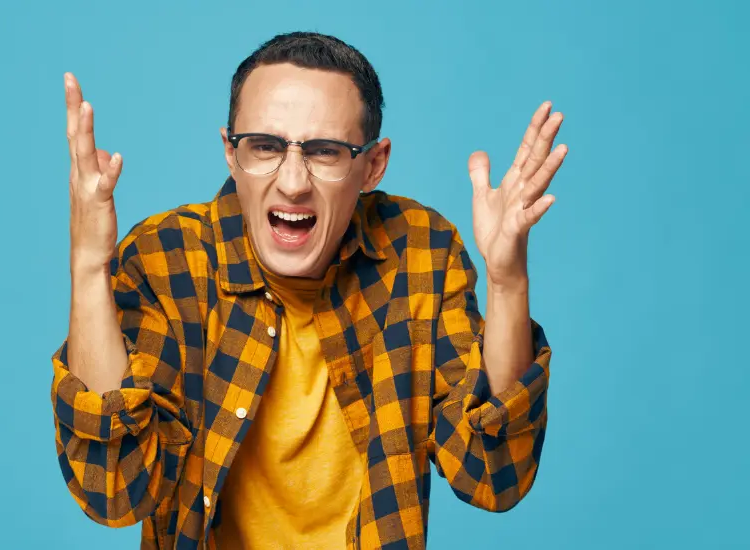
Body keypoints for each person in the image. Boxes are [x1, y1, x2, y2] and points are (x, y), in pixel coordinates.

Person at [51, 31, 563, 550]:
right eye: (266, 147)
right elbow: (114, 491)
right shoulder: (168, 258)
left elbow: (493, 474)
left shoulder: (421, 252)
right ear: (230, 152)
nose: (293, 182)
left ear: (373, 164)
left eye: (325, 151)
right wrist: (89, 267)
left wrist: (508, 281)